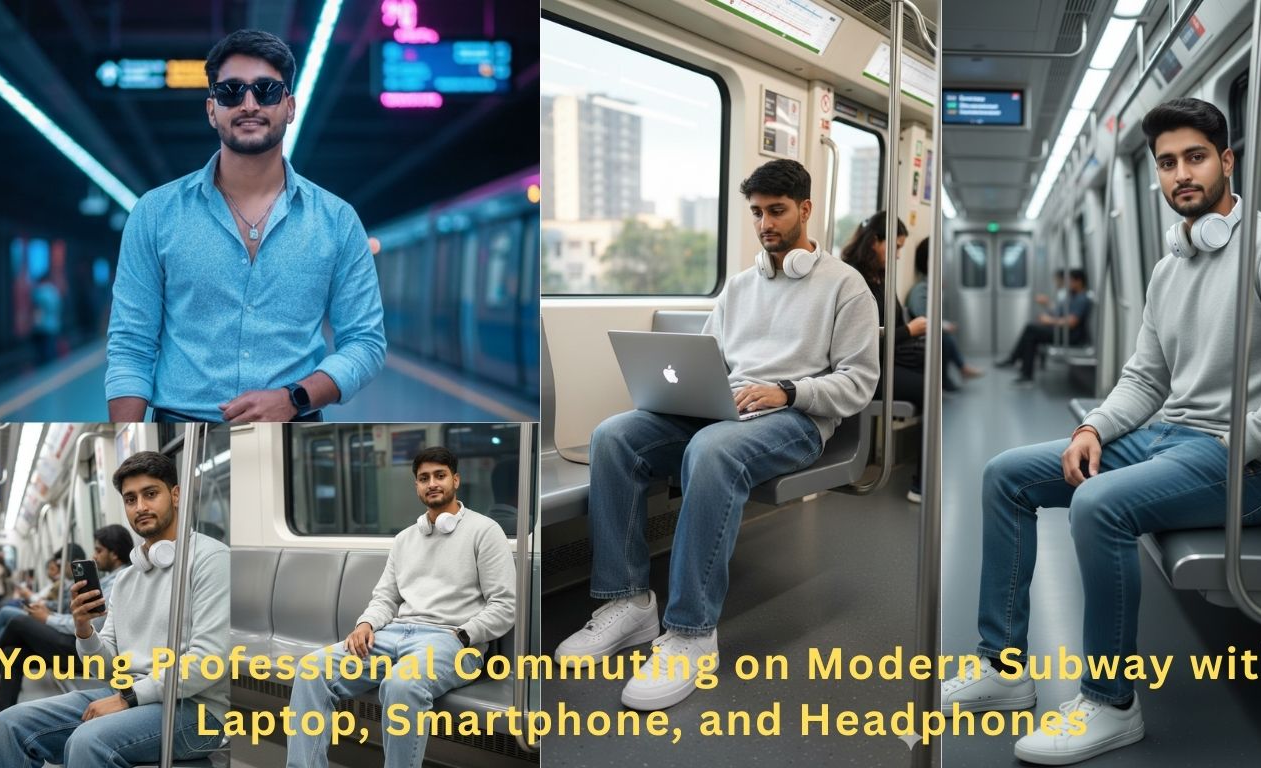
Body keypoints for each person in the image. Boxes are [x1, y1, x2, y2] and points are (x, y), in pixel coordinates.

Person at [942, 97, 1261, 765]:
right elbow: (1146, 377)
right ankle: (1005, 668)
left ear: (1227, 162)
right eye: (1166, 163)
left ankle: (1109, 702)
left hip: (1253, 465)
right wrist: (1095, 427)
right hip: (1170, 438)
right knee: (1006, 475)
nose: (1180, 173)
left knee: (1100, 505)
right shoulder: (1168, 267)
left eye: (1195, 157)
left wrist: (1237, 442)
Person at [553, 159, 879, 709]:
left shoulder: (847, 288)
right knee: (615, 435)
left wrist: (789, 391)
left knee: (711, 449)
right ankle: (630, 603)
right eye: (756, 213)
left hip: (797, 420)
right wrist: (692, 394)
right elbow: (708, 359)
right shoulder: (741, 286)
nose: (765, 224)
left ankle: (690, 634)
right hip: (728, 409)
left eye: (776, 211)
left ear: (805, 209)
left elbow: (858, 384)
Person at [105, 29, 385, 424]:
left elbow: (365, 343)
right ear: (211, 109)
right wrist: (129, 451)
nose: (249, 104)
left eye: (267, 91)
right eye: (231, 92)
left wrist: (294, 399)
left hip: (295, 426)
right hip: (179, 431)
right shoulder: (155, 213)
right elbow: (131, 347)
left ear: (289, 106)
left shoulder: (338, 221)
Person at [0, 452, 230, 766]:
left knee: (88, 741)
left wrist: (128, 697)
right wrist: (84, 630)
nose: (140, 506)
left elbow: (208, 660)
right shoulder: (129, 577)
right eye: (131, 499)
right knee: (10, 724)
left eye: (151, 494)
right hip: (131, 696)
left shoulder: (211, 560)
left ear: (176, 495)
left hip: (195, 709)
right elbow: (107, 670)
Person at [287, 447, 515, 768]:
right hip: (394, 635)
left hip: (452, 641)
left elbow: (504, 605)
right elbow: (386, 598)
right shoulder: (406, 539)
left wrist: (464, 635)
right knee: (311, 670)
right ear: (416, 486)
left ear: (456, 480)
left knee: (402, 684)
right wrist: (366, 624)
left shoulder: (485, 531)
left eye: (440, 475)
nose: (432, 483)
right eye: (424, 478)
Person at [0, 529, 131, 740]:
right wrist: (51, 613)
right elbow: (79, 615)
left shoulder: (119, 581)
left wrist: (48, 619)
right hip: (75, 642)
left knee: (18, 622)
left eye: (99, 550)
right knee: (13, 653)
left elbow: (93, 622)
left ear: (114, 554)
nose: (94, 556)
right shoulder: (104, 579)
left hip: (89, 650)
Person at [842, 213, 929, 500]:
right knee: (932, 390)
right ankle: (921, 482)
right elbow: (865, 340)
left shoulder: (878, 278)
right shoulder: (852, 280)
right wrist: (910, 330)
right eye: (895, 246)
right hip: (867, 369)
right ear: (875, 242)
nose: (898, 255)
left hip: (888, 359)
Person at [906, 238, 984, 385]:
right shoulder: (921, 289)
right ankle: (954, 375)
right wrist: (943, 326)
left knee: (945, 336)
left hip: (927, 333)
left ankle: (955, 373)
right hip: (919, 338)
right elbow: (924, 319)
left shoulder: (932, 287)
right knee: (944, 338)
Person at [996, 268, 1092, 384]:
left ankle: (1018, 364)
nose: (1067, 284)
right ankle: (1021, 368)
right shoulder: (1072, 297)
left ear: (1078, 282)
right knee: (1032, 331)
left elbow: (1071, 323)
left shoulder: (1082, 299)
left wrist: (1049, 320)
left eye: (1070, 281)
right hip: (1063, 332)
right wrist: (1047, 311)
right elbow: (1060, 313)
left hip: (1071, 336)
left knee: (1031, 329)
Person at [0, 553, 74, 647]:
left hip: (48, 614)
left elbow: (61, 607)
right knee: (3, 626)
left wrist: (47, 614)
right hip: (47, 612)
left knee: (5, 611)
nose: (49, 572)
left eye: (52, 569)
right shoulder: (56, 585)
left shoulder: (61, 585)